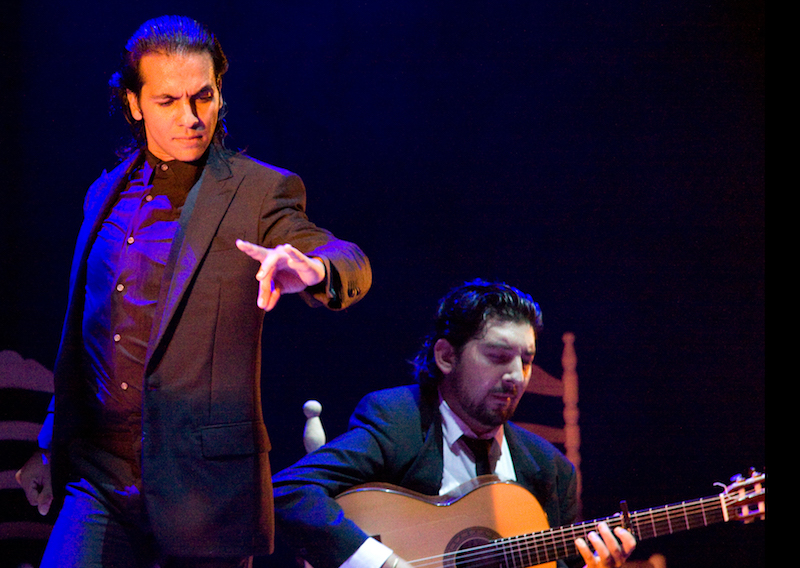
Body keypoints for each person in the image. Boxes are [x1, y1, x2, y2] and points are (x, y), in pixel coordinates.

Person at [14, 15, 371, 568]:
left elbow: (349, 259)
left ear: (219, 92)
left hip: (205, 494)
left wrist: (316, 270)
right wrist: (49, 442)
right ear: (134, 104)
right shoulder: (103, 193)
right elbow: (88, 334)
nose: (191, 118)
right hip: (99, 479)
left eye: (204, 97)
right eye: (168, 101)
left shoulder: (256, 191)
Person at [271, 280, 635, 568]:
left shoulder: (551, 470)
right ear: (446, 356)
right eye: (497, 356)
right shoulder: (398, 420)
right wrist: (386, 564)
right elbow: (290, 491)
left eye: (526, 360)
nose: (516, 377)